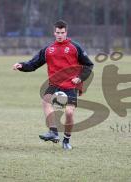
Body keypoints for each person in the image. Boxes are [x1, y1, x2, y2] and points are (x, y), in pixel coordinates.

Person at [13, 20, 94, 150]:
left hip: (71, 85)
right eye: (58, 32)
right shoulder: (48, 49)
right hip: (55, 83)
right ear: (54, 32)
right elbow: (34, 63)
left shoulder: (75, 47)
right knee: (45, 101)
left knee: (69, 113)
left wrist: (79, 78)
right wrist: (21, 65)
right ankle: (53, 132)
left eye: (62, 32)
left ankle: (66, 140)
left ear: (66, 32)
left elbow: (89, 65)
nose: (60, 35)